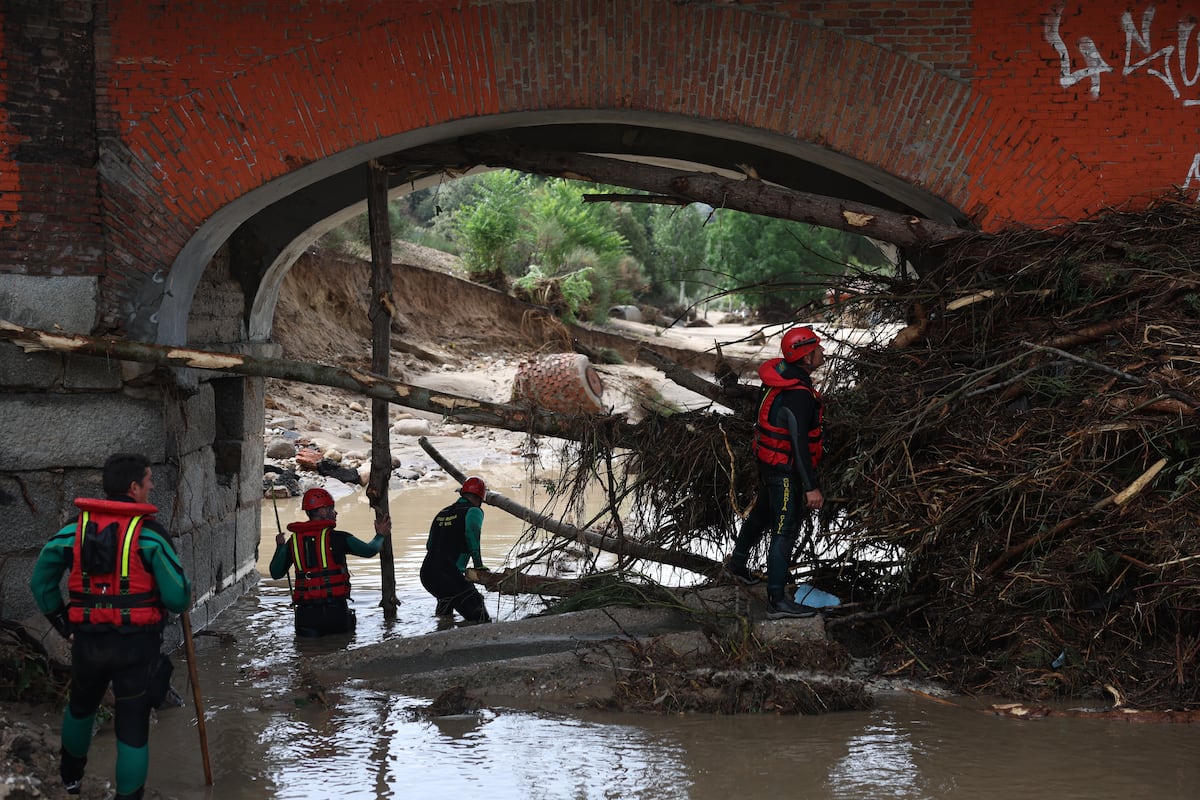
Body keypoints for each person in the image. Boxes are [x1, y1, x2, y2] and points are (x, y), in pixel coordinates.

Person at [29, 452, 192, 800]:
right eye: (148, 482)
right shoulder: (149, 535)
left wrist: (61, 622)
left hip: (88, 642)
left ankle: (70, 779)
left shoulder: (74, 530)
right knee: (132, 724)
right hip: (136, 646)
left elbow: (40, 583)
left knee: (81, 707)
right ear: (133, 487)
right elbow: (178, 597)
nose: (150, 488)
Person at [724, 325, 826, 619]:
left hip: (767, 462)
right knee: (785, 526)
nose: (822, 352)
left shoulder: (778, 377)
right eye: (817, 349)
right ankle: (777, 601)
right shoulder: (799, 394)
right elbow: (798, 444)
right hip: (784, 470)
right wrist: (810, 487)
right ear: (806, 358)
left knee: (764, 514)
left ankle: (738, 565)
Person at [269, 487, 389, 637]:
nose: (336, 512)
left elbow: (275, 572)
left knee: (307, 654)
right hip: (335, 613)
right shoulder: (339, 537)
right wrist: (380, 536)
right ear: (322, 511)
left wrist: (280, 547)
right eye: (332, 508)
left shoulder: (293, 541)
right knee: (339, 649)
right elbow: (369, 550)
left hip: (306, 616)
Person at [421, 476, 491, 624]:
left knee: (446, 609)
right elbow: (472, 537)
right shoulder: (474, 511)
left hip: (427, 574)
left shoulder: (442, 512)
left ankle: (441, 633)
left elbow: (430, 545)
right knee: (480, 617)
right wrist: (479, 566)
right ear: (480, 498)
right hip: (447, 574)